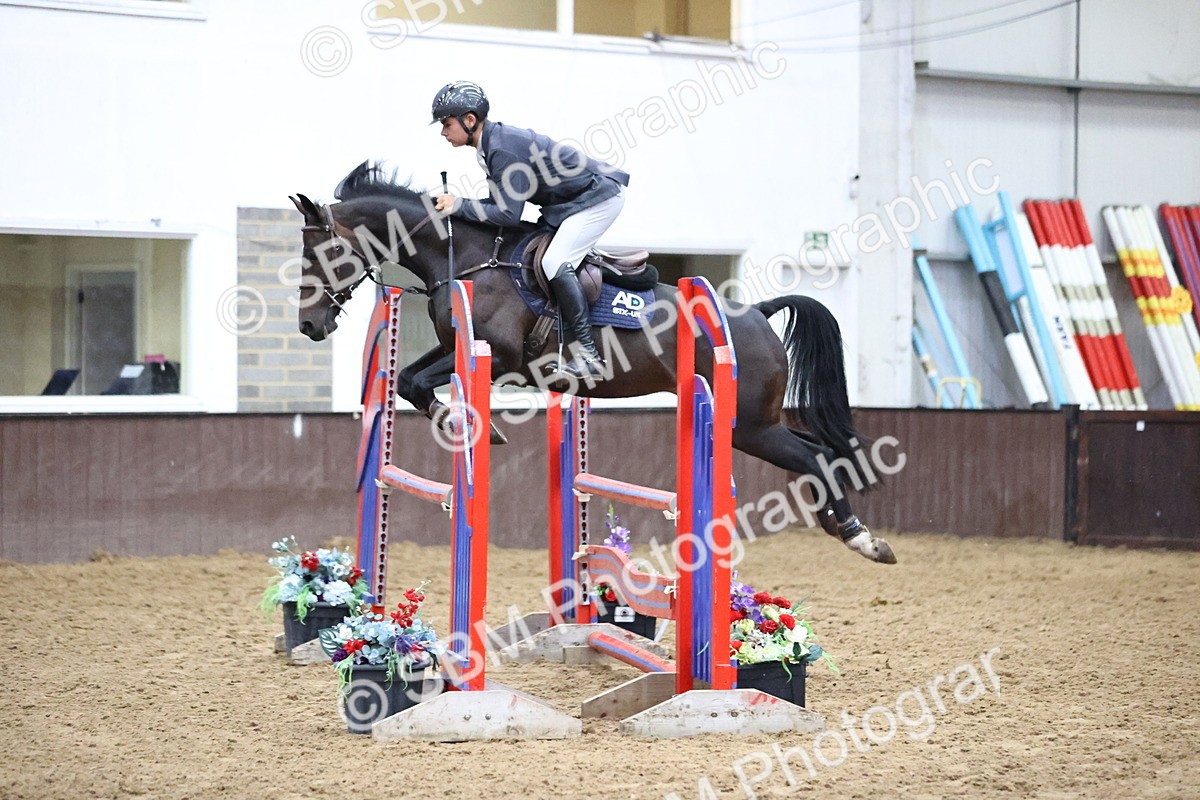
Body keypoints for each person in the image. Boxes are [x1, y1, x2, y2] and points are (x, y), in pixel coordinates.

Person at [431, 80, 630, 382]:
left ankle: (589, 355)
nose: (443, 132)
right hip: (571, 203)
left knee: (553, 261)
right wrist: (459, 206)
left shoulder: (501, 150)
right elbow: (499, 205)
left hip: (597, 199)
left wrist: (459, 206)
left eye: (446, 124)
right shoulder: (489, 146)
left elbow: (509, 214)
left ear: (469, 120)